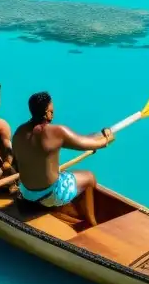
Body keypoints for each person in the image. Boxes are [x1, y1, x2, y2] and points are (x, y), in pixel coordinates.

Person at [12, 91, 114, 226]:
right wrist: (106, 139)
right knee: (89, 177)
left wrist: (98, 135)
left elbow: (17, 162)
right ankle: (91, 223)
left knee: (61, 175)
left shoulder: (19, 132)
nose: (53, 114)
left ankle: (56, 208)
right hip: (49, 195)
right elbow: (88, 144)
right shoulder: (57, 132)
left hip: (26, 192)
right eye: (51, 111)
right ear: (47, 112)